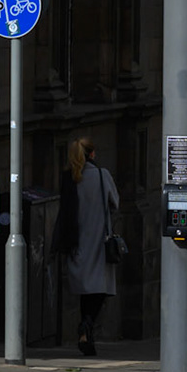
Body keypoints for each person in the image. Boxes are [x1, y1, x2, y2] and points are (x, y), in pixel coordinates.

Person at [52, 138, 119, 357]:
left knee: (85, 290)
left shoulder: (69, 178)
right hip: (99, 241)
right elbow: (115, 202)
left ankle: (85, 329)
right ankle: (87, 324)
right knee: (99, 289)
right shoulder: (102, 175)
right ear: (91, 154)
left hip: (77, 242)